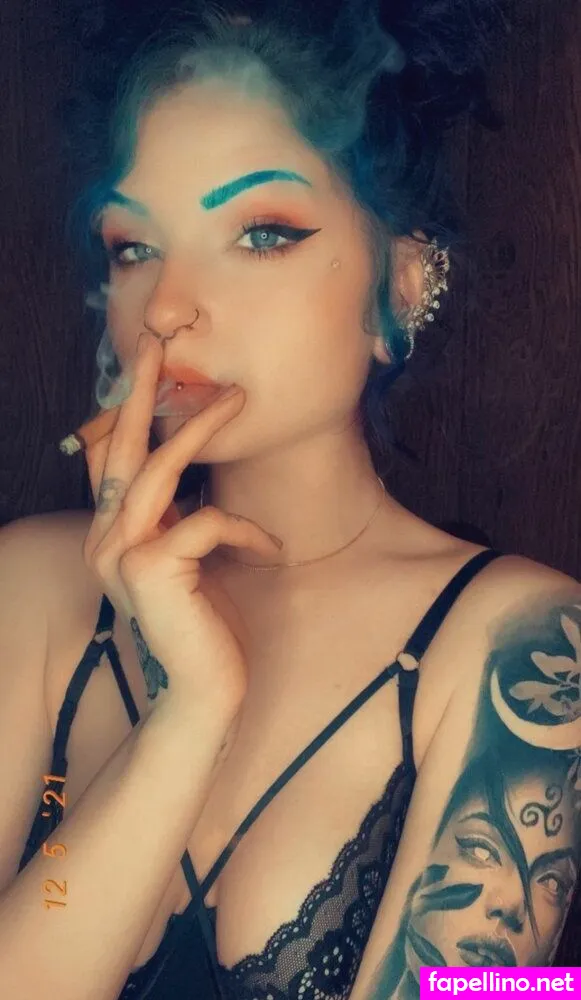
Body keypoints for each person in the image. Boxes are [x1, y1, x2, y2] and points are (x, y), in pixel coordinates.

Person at [0, 2, 578, 999]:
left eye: (261, 233)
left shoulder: (530, 648)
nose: (166, 306)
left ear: (401, 286)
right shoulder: (31, 590)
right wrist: (187, 716)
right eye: (132, 246)